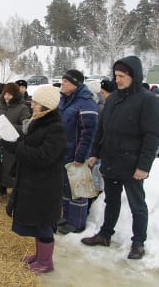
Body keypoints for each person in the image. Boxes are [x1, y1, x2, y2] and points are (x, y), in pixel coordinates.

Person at [81, 56, 159, 260]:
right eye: (116, 76)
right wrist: (94, 153)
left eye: (121, 76)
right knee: (111, 201)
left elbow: (153, 135)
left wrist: (144, 166)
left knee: (137, 204)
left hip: (133, 164)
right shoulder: (113, 99)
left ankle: (138, 243)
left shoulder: (147, 100)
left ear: (133, 76)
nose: (117, 80)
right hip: (111, 160)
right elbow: (102, 130)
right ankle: (105, 235)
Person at [3, 85, 66, 274]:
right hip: (35, 183)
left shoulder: (56, 128)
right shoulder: (38, 121)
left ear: (46, 106)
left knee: (44, 225)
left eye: (36, 102)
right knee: (38, 224)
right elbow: (28, 145)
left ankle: (46, 263)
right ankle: (39, 257)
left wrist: (19, 147)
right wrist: (7, 138)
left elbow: (43, 156)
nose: (32, 104)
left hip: (46, 186)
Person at [57, 69, 98, 235]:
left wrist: (80, 156)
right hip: (64, 152)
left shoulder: (85, 103)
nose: (62, 83)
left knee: (78, 188)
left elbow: (88, 132)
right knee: (66, 187)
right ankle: (66, 218)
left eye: (66, 81)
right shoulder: (65, 101)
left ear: (75, 84)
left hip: (76, 154)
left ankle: (77, 222)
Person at [0, 83, 31, 197]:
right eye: (5, 94)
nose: (7, 97)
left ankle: (15, 191)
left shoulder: (22, 108)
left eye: (10, 94)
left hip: (13, 144)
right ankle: (1, 188)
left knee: (11, 166)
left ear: (16, 95)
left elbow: (26, 128)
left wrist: (9, 127)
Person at [87, 79, 116, 211]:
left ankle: (94, 200)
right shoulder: (103, 106)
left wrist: (96, 150)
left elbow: (99, 131)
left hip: (98, 148)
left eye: (104, 92)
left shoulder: (100, 108)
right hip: (98, 148)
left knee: (95, 177)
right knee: (95, 176)